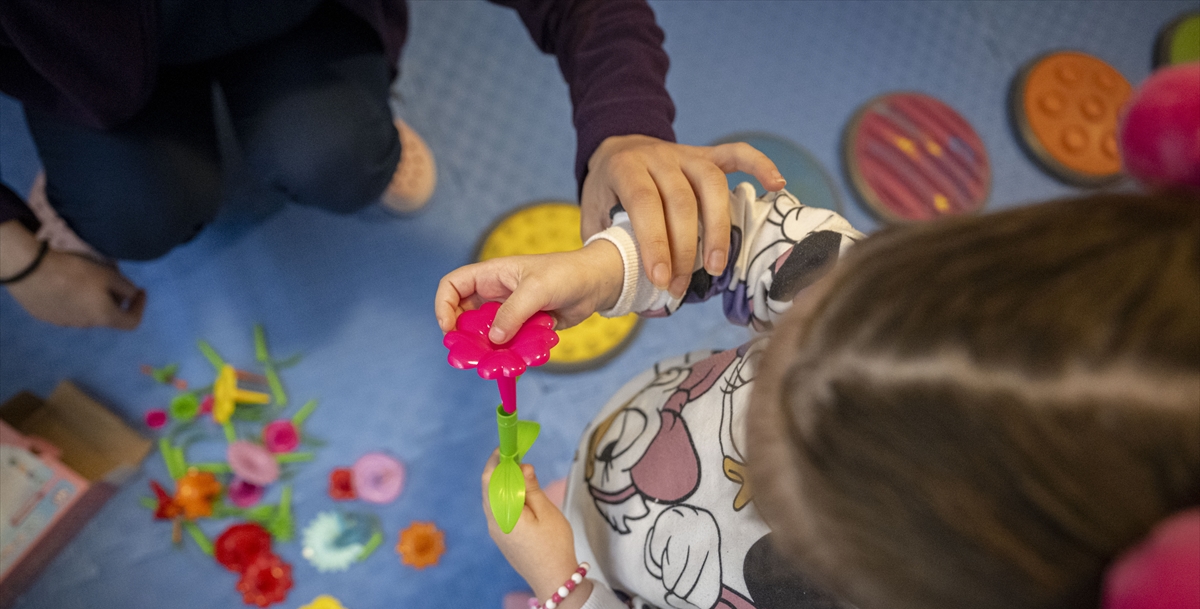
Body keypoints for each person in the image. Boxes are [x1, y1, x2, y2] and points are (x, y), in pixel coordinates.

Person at [435, 185, 1200, 609]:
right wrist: (610, 268)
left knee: (577, 602)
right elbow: (752, 237)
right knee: (574, 500)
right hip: (627, 455)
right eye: (786, 356)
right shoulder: (899, 306)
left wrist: (573, 602)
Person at [0, 0, 783, 329]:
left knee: (336, 154)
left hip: (299, 24)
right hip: (90, 71)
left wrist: (625, 131)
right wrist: (18, 260)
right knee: (135, 216)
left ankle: (357, 129)